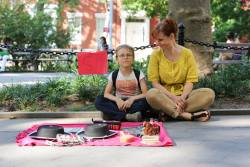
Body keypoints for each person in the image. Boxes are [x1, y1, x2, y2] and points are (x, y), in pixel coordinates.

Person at [145, 18, 215, 122]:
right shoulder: (156, 54)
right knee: (151, 94)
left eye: (160, 40)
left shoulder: (187, 54)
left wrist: (182, 98)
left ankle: (169, 113)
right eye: (156, 40)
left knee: (209, 94)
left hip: (185, 97)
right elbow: (155, 83)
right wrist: (173, 98)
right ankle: (187, 115)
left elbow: (190, 81)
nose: (157, 43)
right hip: (165, 96)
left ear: (172, 36)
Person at [95, 44, 150, 121]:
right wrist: (117, 100)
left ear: (133, 58)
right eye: (122, 55)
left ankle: (112, 114)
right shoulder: (114, 74)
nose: (125, 57)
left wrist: (132, 99)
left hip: (133, 103)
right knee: (99, 100)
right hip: (119, 103)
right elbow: (106, 94)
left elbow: (145, 93)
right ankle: (127, 116)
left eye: (129, 55)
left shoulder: (139, 74)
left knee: (146, 102)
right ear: (117, 59)